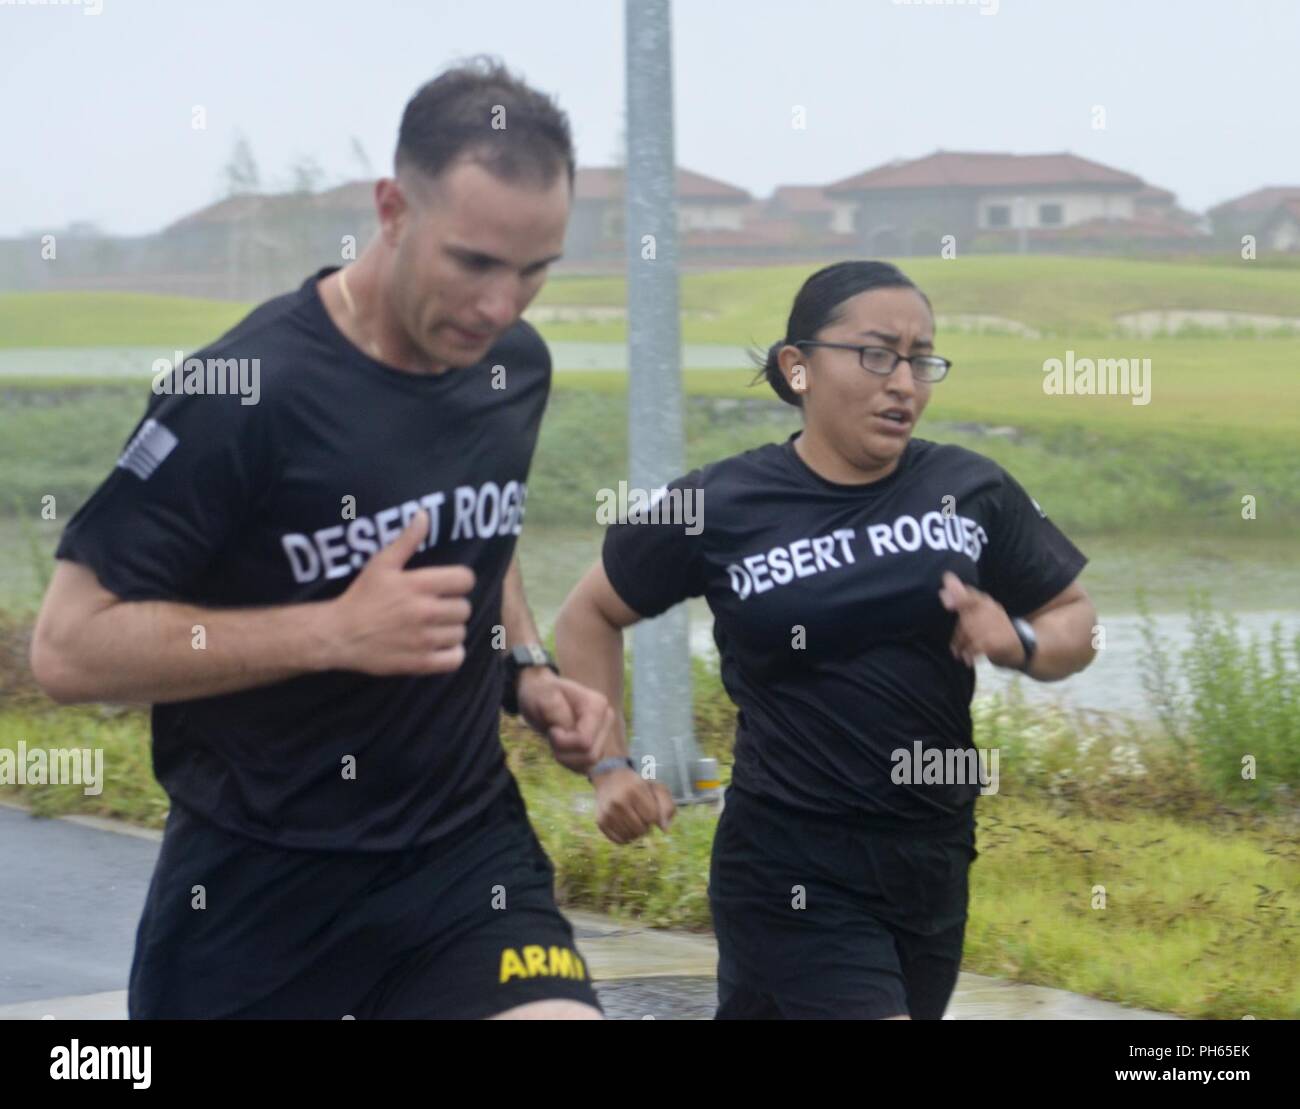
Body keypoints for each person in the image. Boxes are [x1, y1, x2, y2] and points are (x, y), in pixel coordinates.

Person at [29, 58, 613, 1020]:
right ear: (391, 208)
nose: (501, 306)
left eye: (535, 270)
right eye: (473, 262)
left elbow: (481, 531)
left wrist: (529, 672)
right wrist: (332, 633)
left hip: (459, 858)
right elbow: (67, 646)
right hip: (256, 885)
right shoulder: (243, 394)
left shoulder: (511, 367)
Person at [555, 260, 1098, 1019]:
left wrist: (1021, 638)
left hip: (930, 856)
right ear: (797, 365)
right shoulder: (721, 503)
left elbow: (1076, 618)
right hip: (788, 860)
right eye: (876, 354)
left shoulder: (969, 489)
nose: (903, 381)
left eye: (921, 358)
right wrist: (610, 767)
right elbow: (589, 614)